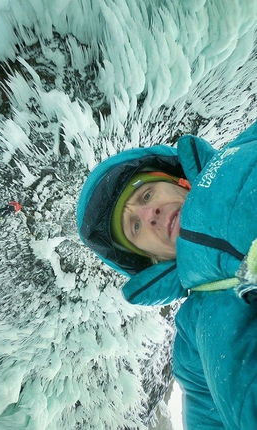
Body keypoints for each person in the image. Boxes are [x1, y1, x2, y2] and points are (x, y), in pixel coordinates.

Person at [76, 122, 257, 429]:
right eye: (135, 227)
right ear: (154, 259)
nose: (149, 215)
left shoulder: (244, 146)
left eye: (146, 195)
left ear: (182, 182)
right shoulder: (191, 339)